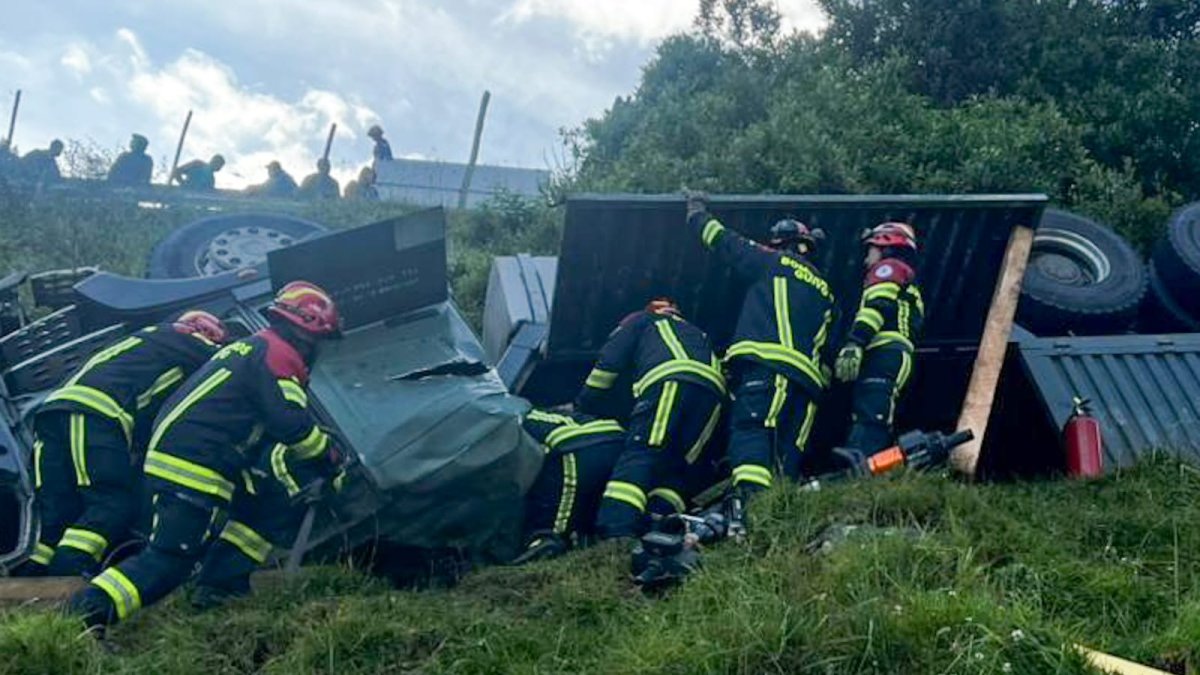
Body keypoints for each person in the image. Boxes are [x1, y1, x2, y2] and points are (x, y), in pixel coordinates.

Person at [67, 281, 343, 631]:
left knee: (263, 504)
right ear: (309, 337)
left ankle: (219, 587)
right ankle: (86, 614)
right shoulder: (279, 356)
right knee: (169, 560)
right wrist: (327, 455)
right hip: (195, 463)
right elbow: (290, 425)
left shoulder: (252, 348)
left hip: (198, 457)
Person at [17, 311, 229, 577]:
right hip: (96, 414)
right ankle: (67, 576)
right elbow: (231, 369)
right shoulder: (188, 341)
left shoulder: (144, 341)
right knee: (112, 503)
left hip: (52, 414)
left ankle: (30, 586)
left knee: (59, 512)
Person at [685, 195, 836, 536]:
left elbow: (727, 243)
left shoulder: (774, 262)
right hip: (808, 386)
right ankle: (775, 524)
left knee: (753, 431)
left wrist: (697, 214)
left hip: (769, 368)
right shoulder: (826, 290)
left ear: (781, 244)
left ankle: (750, 507)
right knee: (785, 453)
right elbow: (830, 348)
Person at [576, 298, 725, 540]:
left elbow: (608, 364)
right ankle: (657, 524)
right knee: (678, 467)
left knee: (641, 452)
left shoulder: (643, 320)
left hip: (672, 380)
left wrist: (584, 405)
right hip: (714, 397)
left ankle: (615, 531)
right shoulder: (696, 333)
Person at [835, 222, 924, 453]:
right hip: (894, 354)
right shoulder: (906, 276)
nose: (866, 259)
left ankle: (863, 471)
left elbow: (877, 307)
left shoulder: (889, 268)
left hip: (885, 352)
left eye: (870, 250)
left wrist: (855, 342)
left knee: (872, 413)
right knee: (874, 411)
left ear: (885, 244)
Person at [513, 409, 625, 564]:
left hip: (576, 447)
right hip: (617, 443)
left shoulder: (508, 423)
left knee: (552, 529)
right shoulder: (530, 413)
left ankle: (542, 549)